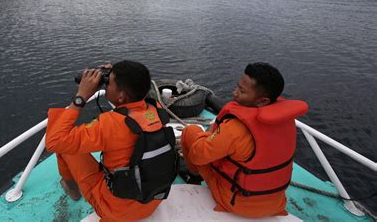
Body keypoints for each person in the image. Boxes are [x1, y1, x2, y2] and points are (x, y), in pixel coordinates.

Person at [45, 60, 175, 221]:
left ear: (121, 96)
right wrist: (117, 74)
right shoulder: (156, 108)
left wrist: (81, 96)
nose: (105, 85)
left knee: (65, 148)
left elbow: (54, 141)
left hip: (115, 210)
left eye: (108, 83)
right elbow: (135, 87)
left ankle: (72, 190)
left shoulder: (110, 125)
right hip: (151, 202)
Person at [181, 62, 308, 218]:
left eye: (241, 91)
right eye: (237, 87)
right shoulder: (286, 121)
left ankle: (193, 175)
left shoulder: (234, 129)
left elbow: (197, 156)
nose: (234, 93)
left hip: (235, 203)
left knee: (190, 132)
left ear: (263, 101)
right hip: (276, 203)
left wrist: (208, 135)